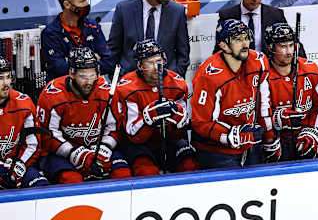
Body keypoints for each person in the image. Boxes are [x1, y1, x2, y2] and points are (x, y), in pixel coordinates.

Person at [191, 19, 280, 168]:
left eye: (246, 38)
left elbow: (264, 105)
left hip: (249, 144)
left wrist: (269, 137)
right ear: (223, 45)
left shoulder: (259, 62)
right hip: (216, 150)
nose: (245, 44)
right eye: (238, 40)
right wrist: (231, 135)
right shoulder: (209, 75)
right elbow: (200, 123)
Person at [36, 47, 131, 184]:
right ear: (71, 74)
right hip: (62, 153)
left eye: (92, 75)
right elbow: (47, 135)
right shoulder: (53, 95)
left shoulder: (105, 90)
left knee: (122, 174)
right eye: (83, 76)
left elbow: (114, 126)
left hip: (98, 147)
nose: (88, 81)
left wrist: (105, 146)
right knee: (71, 180)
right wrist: (74, 153)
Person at [113, 39, 197, 176]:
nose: (157, 67)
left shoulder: (178, 83)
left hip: (169, 139)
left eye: (159, 61)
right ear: (140, 66)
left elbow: (182, 128)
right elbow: (132, 134)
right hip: (140, 143)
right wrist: (148, 118)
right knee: (146, 171)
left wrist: (176, 114)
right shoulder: (126, 87)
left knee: (189, 165)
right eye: (150, 63)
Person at [108, 0, 190, 77]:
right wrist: (118, 79)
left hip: (165, 80)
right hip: (130, 81)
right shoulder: (124, 10)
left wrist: (175, 79)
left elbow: (183, 53)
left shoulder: (177, 11)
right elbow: (113, 51)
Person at [265, 23, 318, 160]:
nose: (288, 52)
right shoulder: (262, 75)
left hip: (307, 135)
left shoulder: (311, 70)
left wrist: (313, 132)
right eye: (283, 46)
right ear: (270, 47)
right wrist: (278, 119)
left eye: (291, 45)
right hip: (277, 140)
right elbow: (257, 114)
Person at [216, 0, 306, 57]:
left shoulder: (275, 15)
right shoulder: (227, 16)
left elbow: (293, 43)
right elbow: (219, 50)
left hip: (267, 70)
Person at [41, 0, 115, 81]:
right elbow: (59, 69)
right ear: (67, 5)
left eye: (86, 0)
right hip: (64, 89)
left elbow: (109, 63)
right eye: (82, 1)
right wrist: (94, 59)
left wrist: (73, 63)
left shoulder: (93, 27)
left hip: (93, 87)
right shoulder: (51, 33)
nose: (87, 4)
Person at [0, 55, 48, 189]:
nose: (6, 83)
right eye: (0, 78)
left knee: (40, 186)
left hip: (18, 164)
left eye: (8, 77)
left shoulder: (23, 103)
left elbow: (33, 144)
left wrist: (19, 163)